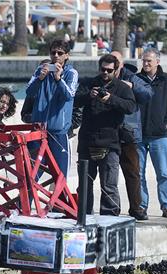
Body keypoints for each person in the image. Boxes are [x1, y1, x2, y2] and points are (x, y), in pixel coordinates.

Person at [75, 54, 136, 216]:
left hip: (110, 143)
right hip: (87, 142)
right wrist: (89, 96)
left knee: (109, 185)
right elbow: (73, 101)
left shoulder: (122, 88)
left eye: (109, 70)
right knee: (85, 184)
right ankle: (84, 215)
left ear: (116, 71)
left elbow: (130, 107)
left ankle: (110, 216)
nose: (105, 73)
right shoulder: (89, 84)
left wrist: (111, 99)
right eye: (103, 69)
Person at [136, 48, 167, 218]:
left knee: (163, 173)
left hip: (160, 136)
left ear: (157, 62)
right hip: (138, 136)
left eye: (149, 61)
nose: (146, 63)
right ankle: (141, 206)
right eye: (144, 60)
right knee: (138, 174)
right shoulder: (136, 80)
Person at [25, 39, 78, 178]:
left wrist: (58, 79)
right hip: (38, 130)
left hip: (58, 132)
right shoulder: (40, 70)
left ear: (67, 55)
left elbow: (69, 95)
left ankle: (57, 200)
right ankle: (25, 200)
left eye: (60, 53)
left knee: (60, 177)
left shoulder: (71, 73)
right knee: (31, 176)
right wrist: (40, 78)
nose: (55, 56)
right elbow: (29, 92)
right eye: (53, 52)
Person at [111, 51, 153, 221]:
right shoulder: (104, 76)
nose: (111, 66)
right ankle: (111, 208)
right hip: (109, 132)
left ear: (121, 64)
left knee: (133, 173)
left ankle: (136, 208)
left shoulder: (131, 77)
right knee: (109, 174)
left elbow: (148, 93)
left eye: (116, 62)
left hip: (129, 132)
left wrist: (132, 86)